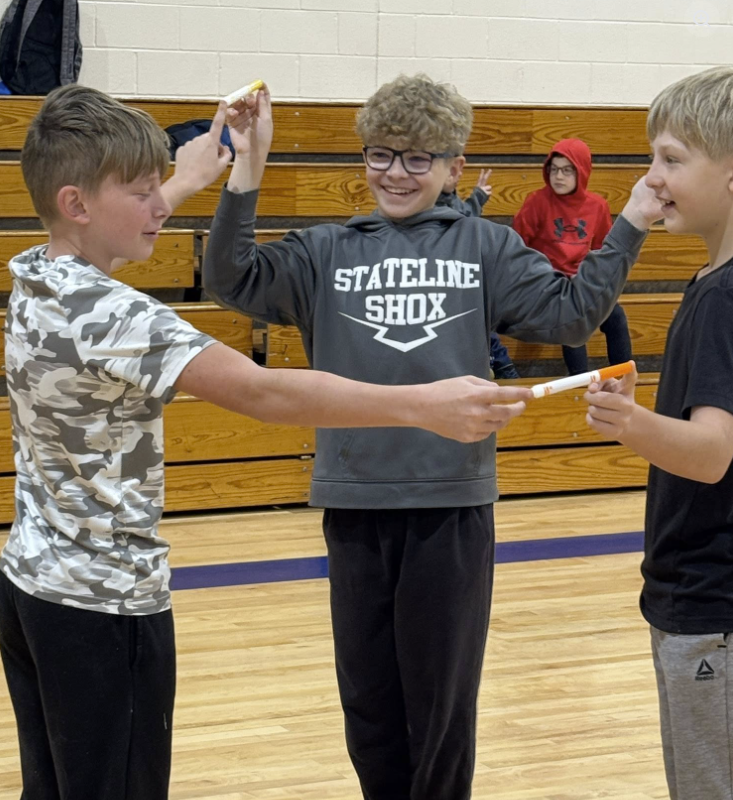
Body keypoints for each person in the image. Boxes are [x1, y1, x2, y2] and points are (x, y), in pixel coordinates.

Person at [0, 84, 533, 800]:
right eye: (143, 192)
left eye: (161, 187)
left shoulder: (35, 275)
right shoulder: (115, 315)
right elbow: (263, 391)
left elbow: (105, 223)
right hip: (104, 606)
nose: (161, 206)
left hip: (32, 582)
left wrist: (204, 171)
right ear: (77, 203)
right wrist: (419, 405)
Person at [203, 74, 661, 800]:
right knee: (369, 708)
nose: (395, 172)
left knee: (438, 711)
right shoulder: (326, 250)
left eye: (418, 158)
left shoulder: (483, 245)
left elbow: (570, 316)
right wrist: (248, 169)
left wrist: (630, 220)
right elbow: (229, 278)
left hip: (449, 506)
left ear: (454, 166)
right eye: (381, 154)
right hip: (352, 503)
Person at [584, 65, 733, 800]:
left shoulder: (719, 300)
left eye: (672, 159)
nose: (652, 178)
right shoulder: (711, 285)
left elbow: (709, 455)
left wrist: (630, 424)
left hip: (710, 607)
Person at [513, 138, 633, 375]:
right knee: (574, 315)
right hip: (546, 280)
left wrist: (599, 287)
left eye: (567, 170)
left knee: (616, 316)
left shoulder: (597, 206)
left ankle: (623, 376)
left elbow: (602, 252)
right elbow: (516, 246)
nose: (558, 176)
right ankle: (578, 383)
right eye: (554, 169)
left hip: (581, 278)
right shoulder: (536, 202)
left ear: (582, 172)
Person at [436, 166, 519, 379]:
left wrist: (477, 197)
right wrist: (477, 197)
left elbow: (465, 218)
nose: (457, 173)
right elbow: (459, 220)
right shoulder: (429, 203)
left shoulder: (450, 200)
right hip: (441, 281)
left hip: (460, 280)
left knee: (484, 326)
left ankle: (503, 369)